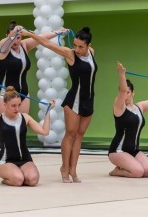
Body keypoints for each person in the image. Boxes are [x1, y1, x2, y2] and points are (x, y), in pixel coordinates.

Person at [20, 27, 97, 183]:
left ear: (89, 45)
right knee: (71, 134)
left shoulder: (92, 53)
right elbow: (47, 44)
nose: (77, 49)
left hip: (89, 100)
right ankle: (64, 168)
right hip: (73, 101)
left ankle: (73, 170)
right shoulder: (70, 54)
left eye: (81, 46)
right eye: (75, 45)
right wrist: (30, 35)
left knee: (79, 136)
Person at [0, 74, 55, 186]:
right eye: (13, 106)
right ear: (5, 104)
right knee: (18, 180)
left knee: (33, 180)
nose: (17, 109)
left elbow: (45, 131)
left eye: (19, 105)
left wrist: (48, 112)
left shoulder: (25, 117)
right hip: (5, 161)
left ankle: (19, 173)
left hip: (25, 159)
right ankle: (7, 179)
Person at [0, 21, 65, 114]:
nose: (15, 41)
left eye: (18, 38)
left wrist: (58, 32)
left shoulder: (24, 45)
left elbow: (41, 37)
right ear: (7, 36)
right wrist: (14, 32)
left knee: (22, 127)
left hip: (22, 93)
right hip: (3, 94)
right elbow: (8, 41)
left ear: (21, 37)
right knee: (5, 127)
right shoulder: (2, 46)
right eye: (13, 37)